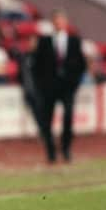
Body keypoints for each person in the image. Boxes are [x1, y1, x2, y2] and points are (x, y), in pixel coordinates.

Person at [31, 9, 86, 163]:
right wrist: (41, 86)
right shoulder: (44, 41)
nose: (58, 23)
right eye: (56, 21)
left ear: (66, 23)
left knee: (68, 117)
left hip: (67, 87)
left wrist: (74, 84)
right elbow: (36, 66)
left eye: (61, 20)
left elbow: (81, 65)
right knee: (46, 121)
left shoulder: (74, 41)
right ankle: (51, 151)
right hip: (49, 88)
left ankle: (66, 148)